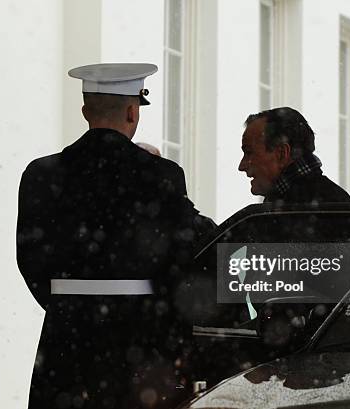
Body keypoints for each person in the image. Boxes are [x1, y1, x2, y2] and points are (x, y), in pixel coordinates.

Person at [17, 63, 210, 408]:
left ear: (85, 110)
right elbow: (179, 258)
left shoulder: (40, 174)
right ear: (132, 112)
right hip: (139, 334)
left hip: (65, 332)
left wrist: (69, 303)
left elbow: (30, 260)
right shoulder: (162, 174)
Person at [238, 107, 350, 205]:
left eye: (249, 153)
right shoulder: (334, 201)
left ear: (282, 153)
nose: (241, 166)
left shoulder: (287, 210)